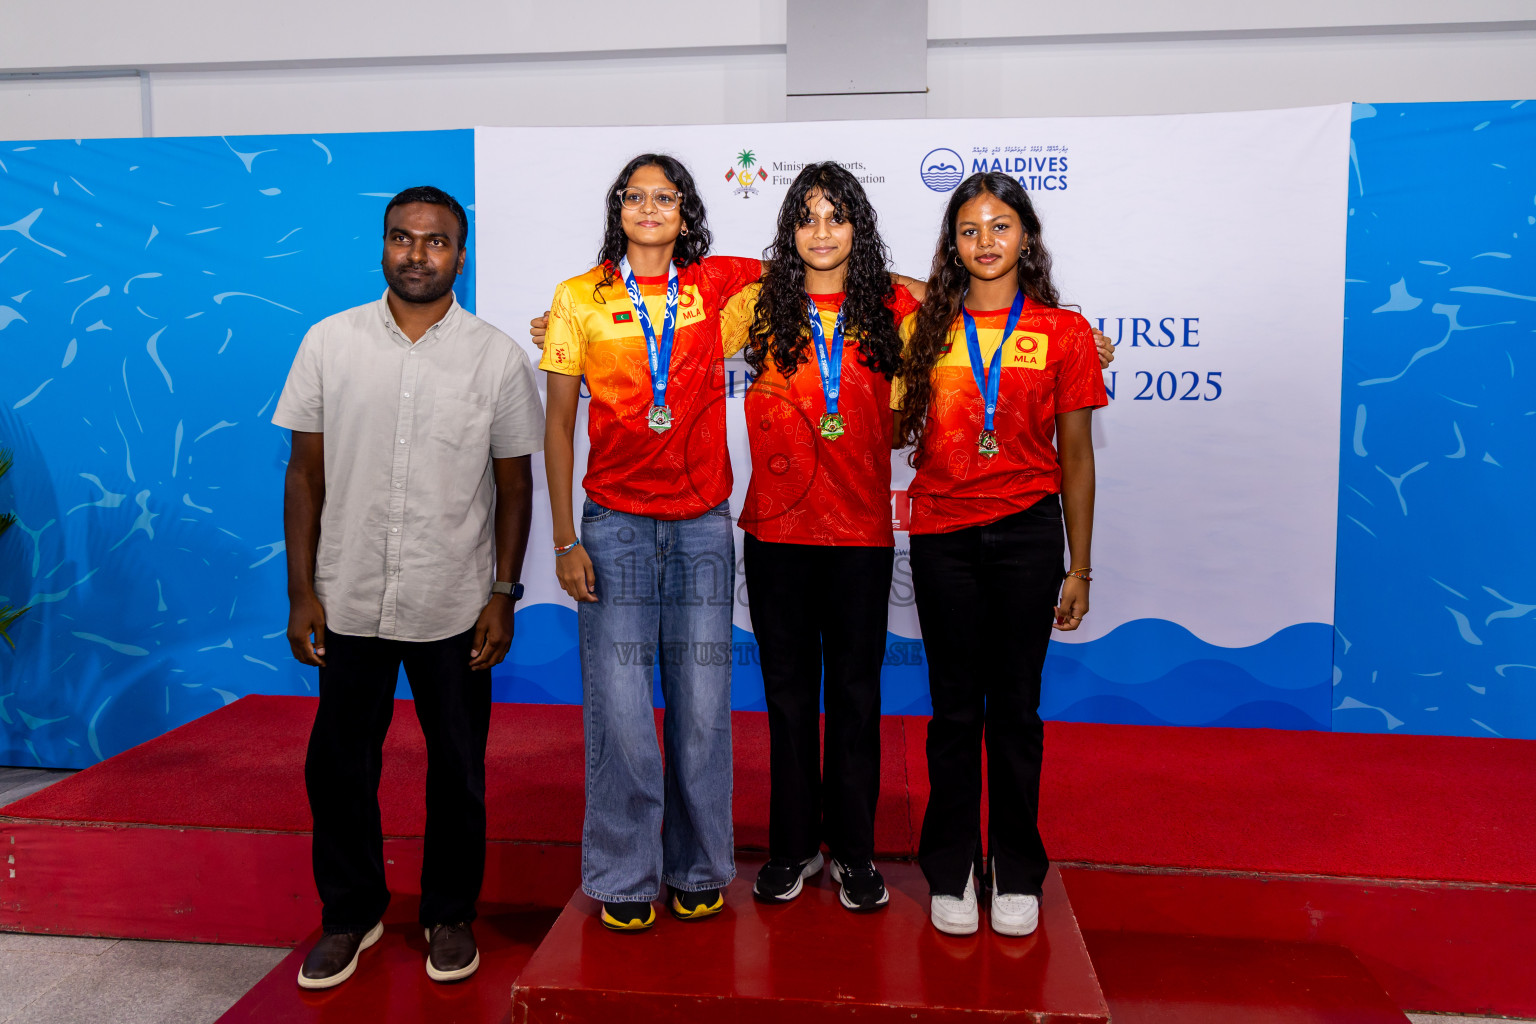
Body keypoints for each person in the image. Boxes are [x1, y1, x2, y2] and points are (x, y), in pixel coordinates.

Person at [275, 185, 543, 987]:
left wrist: (502, 592)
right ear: (382, 245)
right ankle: (350, 915)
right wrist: (301, 592)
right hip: (349, 594)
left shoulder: (495, 356)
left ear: (459, 256)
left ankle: (448, 913)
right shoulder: (329, 342)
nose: (416, 254)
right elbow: (304, 476)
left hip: (454, 600)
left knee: (458, 768)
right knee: (340, 765)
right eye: (402, 238)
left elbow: (515, 487)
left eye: (434, 242)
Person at [539, 154, 762, 931]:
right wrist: (566, 537)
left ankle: (699, 865)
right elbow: (558, 425)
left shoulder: (717, 288)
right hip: (614, 525)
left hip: (702, 523)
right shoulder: (579, 298)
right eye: (634, 195)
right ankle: (626, 872)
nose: (649, 206)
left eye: (664, 196)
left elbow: (827, 266)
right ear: (618, 209)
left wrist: (1039, 311)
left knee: (702, 708)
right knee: (623, 710)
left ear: (686, 211)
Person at [895, 171, 1105, 938]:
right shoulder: (926, 328)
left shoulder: (1065, 333)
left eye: (1001, 227)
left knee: (1015, 711)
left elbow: (1077, 458)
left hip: (1027, 536)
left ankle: (1016, 868)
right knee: (954, 713)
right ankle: (950, 868)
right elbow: (853, 274)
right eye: (969, 230)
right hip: (942, 536)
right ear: (951, 244)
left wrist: (1079, 567)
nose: (986, 242)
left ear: (1028, 237)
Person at [718, 162, 920, 913]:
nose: (823, 231)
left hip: (863, 538)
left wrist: (1071, 331)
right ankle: (793, 846)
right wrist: (562, 327)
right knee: (789, 700)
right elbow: (670, 326)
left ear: (858, 229)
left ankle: (856, 853)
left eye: (838, 217)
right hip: (777, 534)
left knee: (858, 701)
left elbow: (974, 302)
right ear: (788, 230)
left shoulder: (891, 304)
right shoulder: (757, 306)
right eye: (808, 217)